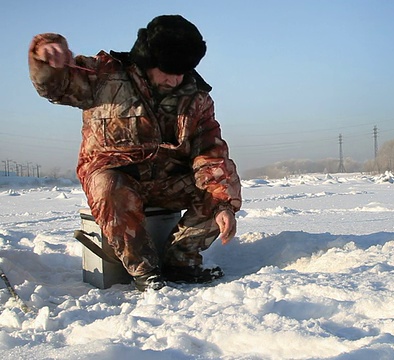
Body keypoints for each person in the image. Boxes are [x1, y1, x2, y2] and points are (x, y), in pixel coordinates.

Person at [28, 15, 242, 291]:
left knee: (221, 185)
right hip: (117, 179)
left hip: (166, 181)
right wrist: (45, 57)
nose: (174, 79)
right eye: (168, 70)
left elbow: (210, 152)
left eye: (182, 71)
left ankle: (181, 261)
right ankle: (145, 271)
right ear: (147, 59)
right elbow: (55, 86)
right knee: (108, 184)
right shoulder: (104, 75)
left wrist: (221, 205)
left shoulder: (196, 97)